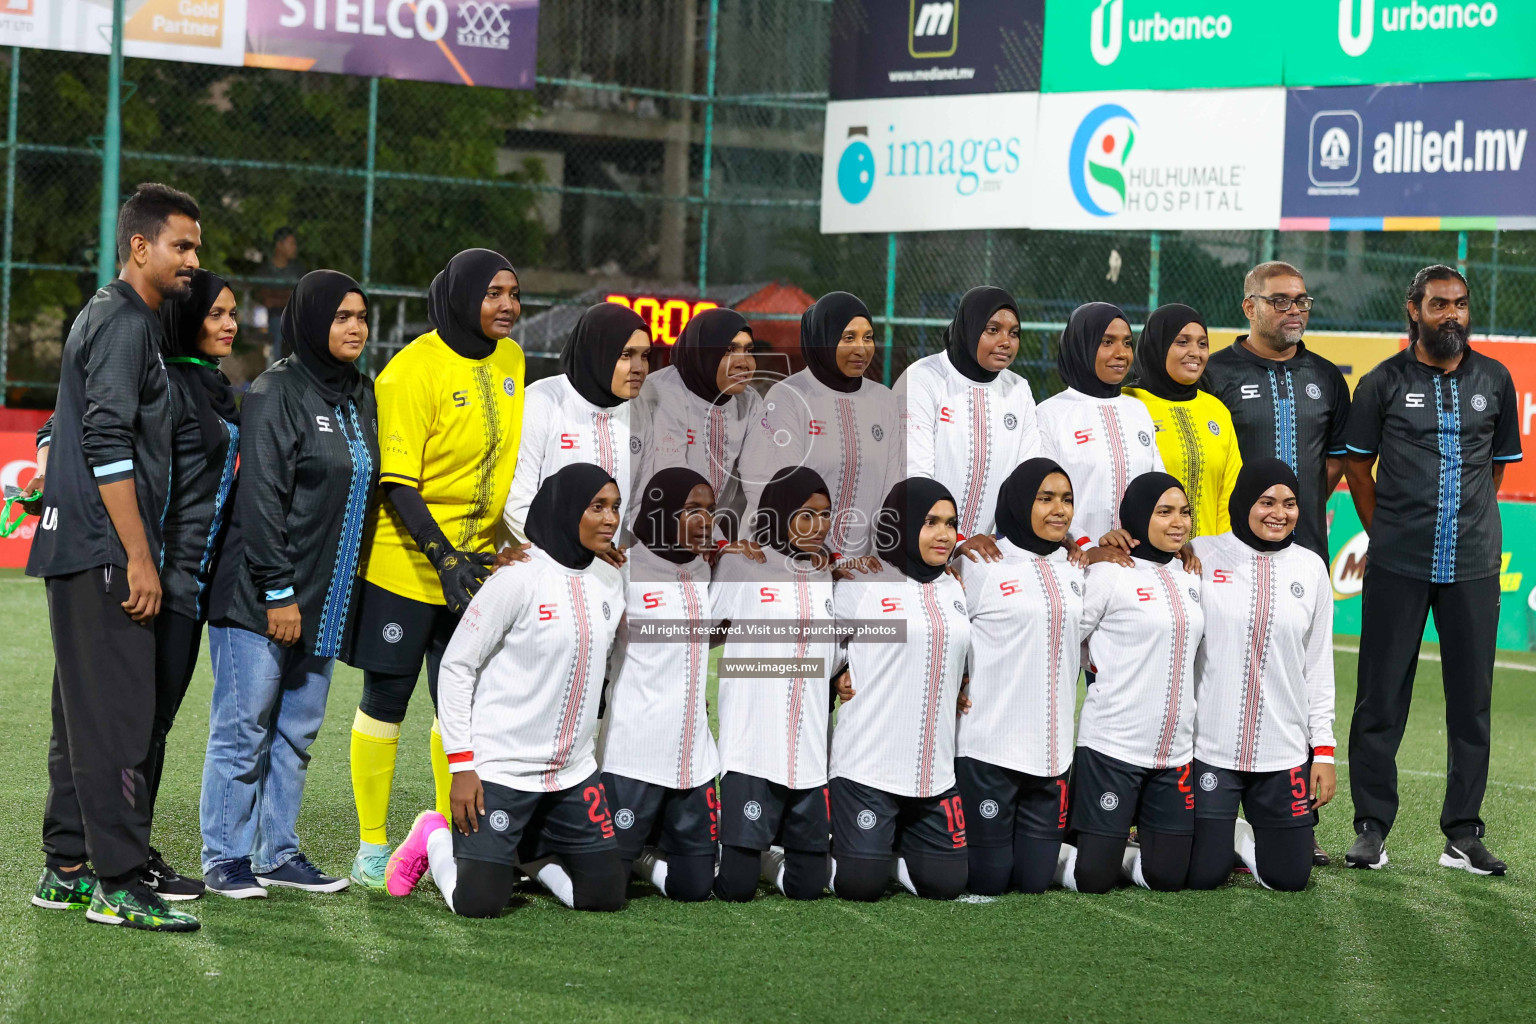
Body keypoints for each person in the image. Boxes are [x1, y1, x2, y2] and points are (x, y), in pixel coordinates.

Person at [26, 182, 203, 932]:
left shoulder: (108, 315)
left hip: (78, 545)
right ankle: (119, 882)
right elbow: (106, 443)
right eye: (183, 246)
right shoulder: (127, 322)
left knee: (82, 719)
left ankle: (66, 868)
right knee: (120, 723)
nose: (194, 260)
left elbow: (71, 425)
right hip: (104, 550)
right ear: (140, 247)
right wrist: (139, 556)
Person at [344, 248, 526, 889]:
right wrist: (442, 556)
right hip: (406, 564)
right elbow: (397, 483)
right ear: (461, 297)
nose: (506, 305)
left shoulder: (511, 360)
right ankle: (371, 845)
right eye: (492, 293)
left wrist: (505, 541)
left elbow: (504, 471)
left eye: (513, 293)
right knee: (385, 701)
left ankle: (452, 834)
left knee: (463, 706)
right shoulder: (408, 372)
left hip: (475, 565)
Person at [201, 270, 378, 899]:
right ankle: (224, 857)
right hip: (260, 596)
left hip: (325, 600)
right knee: (243, 727)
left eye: (361, 316)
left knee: (297, 733)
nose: (356, 327)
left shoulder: (361, 393)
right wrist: (278, 590)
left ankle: (276, 851)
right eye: (341, 317)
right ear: (310, 322)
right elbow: (261, 498)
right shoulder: (276, 390)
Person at [383, 464, 628, 917]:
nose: (611, 519)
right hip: (501, 770)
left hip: (572, 774)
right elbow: (457, 667)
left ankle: (526, 854)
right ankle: (432, 834)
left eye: (614, 507)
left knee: (605, 897)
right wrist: (462, 765)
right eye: (597, 507)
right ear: (566, 509)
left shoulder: (611, 579)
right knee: (478, 904)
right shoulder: (516, 577)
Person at [1342, 265, 1521, 876]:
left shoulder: (1496, 380)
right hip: (1398, 562)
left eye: (1461, 305)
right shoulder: (1382, 383)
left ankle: (1463, 834)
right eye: (1439, 304)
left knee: (1471, 702)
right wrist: (1386, 532)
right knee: (1380, 697)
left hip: (1473, 565)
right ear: (1412, 309)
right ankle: (1371, 828)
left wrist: (1467, 520)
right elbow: (1357, 470)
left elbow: (1496, 470)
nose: (1452, 315)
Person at [1186, 459, 1335, 892]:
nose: (1279, 513)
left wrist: (1322, 751)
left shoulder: (1311, 568)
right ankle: (1216, 839)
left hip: (1282, 752)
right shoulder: (1199, 554)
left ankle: (1241, 835)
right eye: (1266, 501)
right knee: (1202, 876)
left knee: (1288, 878)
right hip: (1210, 748)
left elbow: (1318, 665)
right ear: (1243, 502)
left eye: (1289, 504)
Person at [144, 268, 243, 901]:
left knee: (153, 727)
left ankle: (122, 844)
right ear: (188, 318)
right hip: (162, 583)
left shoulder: (216, 386)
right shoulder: (167, 381)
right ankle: (120, 854)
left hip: (195, 587)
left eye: (233, 313)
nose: (230, 324)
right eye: (216, 314)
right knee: (142, 728)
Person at [828, 477, 970, 901]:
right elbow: (820, 652)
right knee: (860, 887)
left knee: (946, 885)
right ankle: (785, 852)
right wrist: (836, 673)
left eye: (950, 523)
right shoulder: (861, 584)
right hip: (868, 768)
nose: (943, 534)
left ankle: (884, 849)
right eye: (929, 522)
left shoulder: (954, 587)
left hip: (935, 773)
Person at [1061, 473, 1203, 894]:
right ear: (1139, 516)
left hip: (1174, 752)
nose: (1178, 522)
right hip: (1112, 747)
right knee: (1093, 879)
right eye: (1164, 512)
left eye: (1185, 512)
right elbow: (1066, 640)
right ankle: (1039, 848)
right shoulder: (1109, 571)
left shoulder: (1192, 576)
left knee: (1167, 878)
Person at [957, 459, 1084, 895]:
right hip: (989, 750)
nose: (1059, 509)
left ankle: (1115, 856)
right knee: (987, 880)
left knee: (1033, 883)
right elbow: (939, 627)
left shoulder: (1076, 570)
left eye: (1066, 499)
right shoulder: (980, 564)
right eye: (1044, 498)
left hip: (1051, 758)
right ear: (1017, 502)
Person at [711, 466, 839, 901]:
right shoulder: (745, 563)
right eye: (806, 515)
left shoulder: (827, 575)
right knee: (735, 889)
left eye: (825, 515)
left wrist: (843, 673)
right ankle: (733, 853)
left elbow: (834, 648)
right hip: (752, 748)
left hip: (807, 754)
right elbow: (704, 629)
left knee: (807, 887)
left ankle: (766, 854)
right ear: (781, 514)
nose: (817, 526)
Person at [597, 468, 719, 902]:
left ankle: (645, 856)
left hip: (693, 756)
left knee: (696, 887)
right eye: (691, 510)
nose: (704, 520)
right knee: (608, 886)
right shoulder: (622, 568)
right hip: (634, 752)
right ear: (662, 511)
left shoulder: (706, 570)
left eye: (709, 510)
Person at [1202, 261, 1350, 566]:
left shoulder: (1327, 375)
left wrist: (1293, 504)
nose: (1294, 310)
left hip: (1308, 547)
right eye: (1280, 301)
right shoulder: (1214, 374)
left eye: (1301, 301)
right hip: (1231, 549)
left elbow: (1338, 456)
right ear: (1249, 308)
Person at [742, 292, 899, 561]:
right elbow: (775, 488)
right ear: (823, 340)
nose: (861, 349)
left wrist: (880, 556)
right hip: (786, 560)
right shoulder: (788, 396)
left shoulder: (884, 400)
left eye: (868, 337)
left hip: (859, 566)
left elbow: (892, 486)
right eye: (848, 338)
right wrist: (821, 556)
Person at [896, 285, 1041, 548]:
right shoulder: (923, 378)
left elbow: (1027, 478)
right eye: (993, 330)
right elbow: (914, 476)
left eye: (1014, 333)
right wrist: (957, 540)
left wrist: (1004, 542)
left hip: (989, 551)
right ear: (969, 327)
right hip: (918, 544)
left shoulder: (1018, 389)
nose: (1006, 341)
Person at [503, 302, 651, 553]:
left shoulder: (640, 412)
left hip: (606, 565)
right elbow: (517, 502)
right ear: (597, 352)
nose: (639, 368)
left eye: (645, 356)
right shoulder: (543, 400)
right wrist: (573, 553)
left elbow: (637, 507)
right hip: (537, 560)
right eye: (626, 355)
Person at [1036, 302, 1162, 549]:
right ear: (1081, 345)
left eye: (1127, 343)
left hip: (1138, 560)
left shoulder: (1138, 410)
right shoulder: (1051, 414)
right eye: (1107, 342)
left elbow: (1159, 487)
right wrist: (1088, 545)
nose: (1121, 353)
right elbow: (1042, 500)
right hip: (1074, 559)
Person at [633, 307, 760, 540]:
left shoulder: (749, 401)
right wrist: (720, 543)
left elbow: (761, 480)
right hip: (645, 533)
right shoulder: (662, 393)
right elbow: (674, 485)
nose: (744, 363)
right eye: (730, 350)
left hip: (704, 534)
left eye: (749, 350)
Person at [1125, 304, 1242, 540]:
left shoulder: (1216, 410)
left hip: (1209, 563)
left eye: (1202, 344)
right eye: (1182, 342)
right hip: (1142, 561)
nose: (1195, 352)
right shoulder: (1127, 405)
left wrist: (1220, 552)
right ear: (1158, 345)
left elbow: (1229, 495)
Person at [259, 226, 306, 363]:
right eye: (291, 243)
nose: (295, 247)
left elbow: (299, 298)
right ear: (279, 245)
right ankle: (276, 371)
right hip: (274, 318)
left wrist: (277, 297)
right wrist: (287, 296)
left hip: (296, 318)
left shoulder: (298, 269)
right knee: (277, 327)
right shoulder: (266, 269)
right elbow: (265, 298)